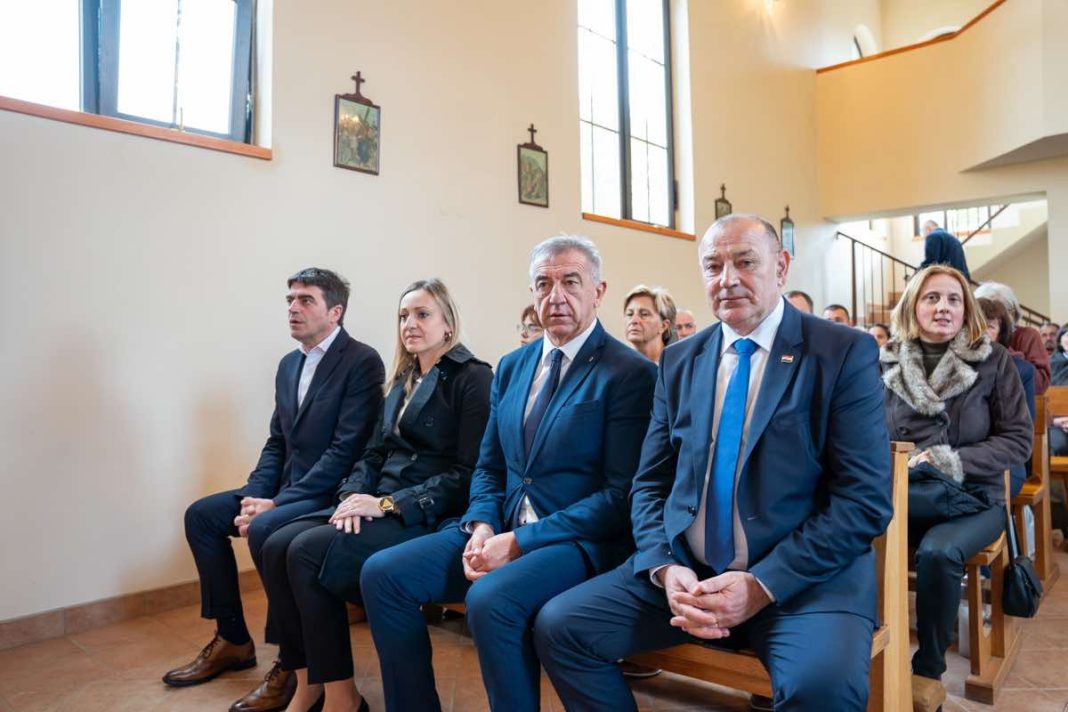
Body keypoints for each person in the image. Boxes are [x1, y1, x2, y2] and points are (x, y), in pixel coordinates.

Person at [535, 214, 893, 712]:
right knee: (561, 627)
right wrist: (665, 566)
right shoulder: (680, 360)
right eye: (712, 266)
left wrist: (763, 584)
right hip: (689, 574)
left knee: (822, 689)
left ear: (781, 266)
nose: (727, 280)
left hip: (803, 580)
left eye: (745, 262)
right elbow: (650, 484)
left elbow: (864, 501)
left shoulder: (840, 352)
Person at [358, 235, 657, 712]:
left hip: (577, 541)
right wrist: (482, 523)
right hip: (501, 527)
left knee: (490, 600)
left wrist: (520, 542)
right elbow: (489, 466)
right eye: (543, 284)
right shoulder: (515, 366)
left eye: (570, 282)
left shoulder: (629, 372)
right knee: (383, 574)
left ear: (598, 291)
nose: (555, 296)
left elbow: (619, 496)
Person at [245, 279, 493, 712]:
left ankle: (341, 697)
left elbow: (467, 473)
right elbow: (373, 453)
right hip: (376, 499)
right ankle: (316, 683)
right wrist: (353, 495)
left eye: (423, 314)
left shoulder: (473, 378)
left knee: (303, 552)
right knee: (276, 542)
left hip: (422, 512)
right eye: (403, 316)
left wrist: (386, 505)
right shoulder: (403, 379)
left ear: (448, 324)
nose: (410, 324)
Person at [163, 268, 385, 694]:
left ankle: (291, 661)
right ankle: (233, 639)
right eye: (290, 300)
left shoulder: (361, 361)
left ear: (335, 312)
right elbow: (278, 442)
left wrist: (276, 504)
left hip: (329, 493)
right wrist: (254, 495)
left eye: (305, 300)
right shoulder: (288, 365)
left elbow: (345, 451)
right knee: (202, 517)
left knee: (267, 528)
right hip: (285, 489)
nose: (293, 308)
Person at [880, 266, 1031, 712]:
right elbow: (866, 432)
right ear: (913, 306)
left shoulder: (994, 360)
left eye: (953, 299)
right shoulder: (887, 360)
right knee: (851, 534)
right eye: (932, 298)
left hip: (976, 497)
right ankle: (866, 656)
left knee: (938, 552)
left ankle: (927, 674)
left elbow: (1017, 440)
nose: (943, 307)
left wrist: (947, 460)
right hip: (907, 494)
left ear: (967, 310)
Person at [979, 296, 1036, 496]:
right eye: (977, 324)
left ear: (1001, 333)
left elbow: (1022, 429)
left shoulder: (1021, 370)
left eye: (990, 326)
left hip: (1004, 461)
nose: (982, 331)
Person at [974, 282, 1051, 393]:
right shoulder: (967, 336)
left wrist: (1004, 352)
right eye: (981, 310)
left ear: (1012, 313)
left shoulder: (1028, 335)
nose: (988, 316)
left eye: (996, 310)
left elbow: (1041, 383)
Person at [624, 284, 678, 362]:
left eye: (644, 314)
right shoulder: (617, 364)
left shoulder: (679, 364)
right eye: (630, 314)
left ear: (663, 326)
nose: (633, 320)